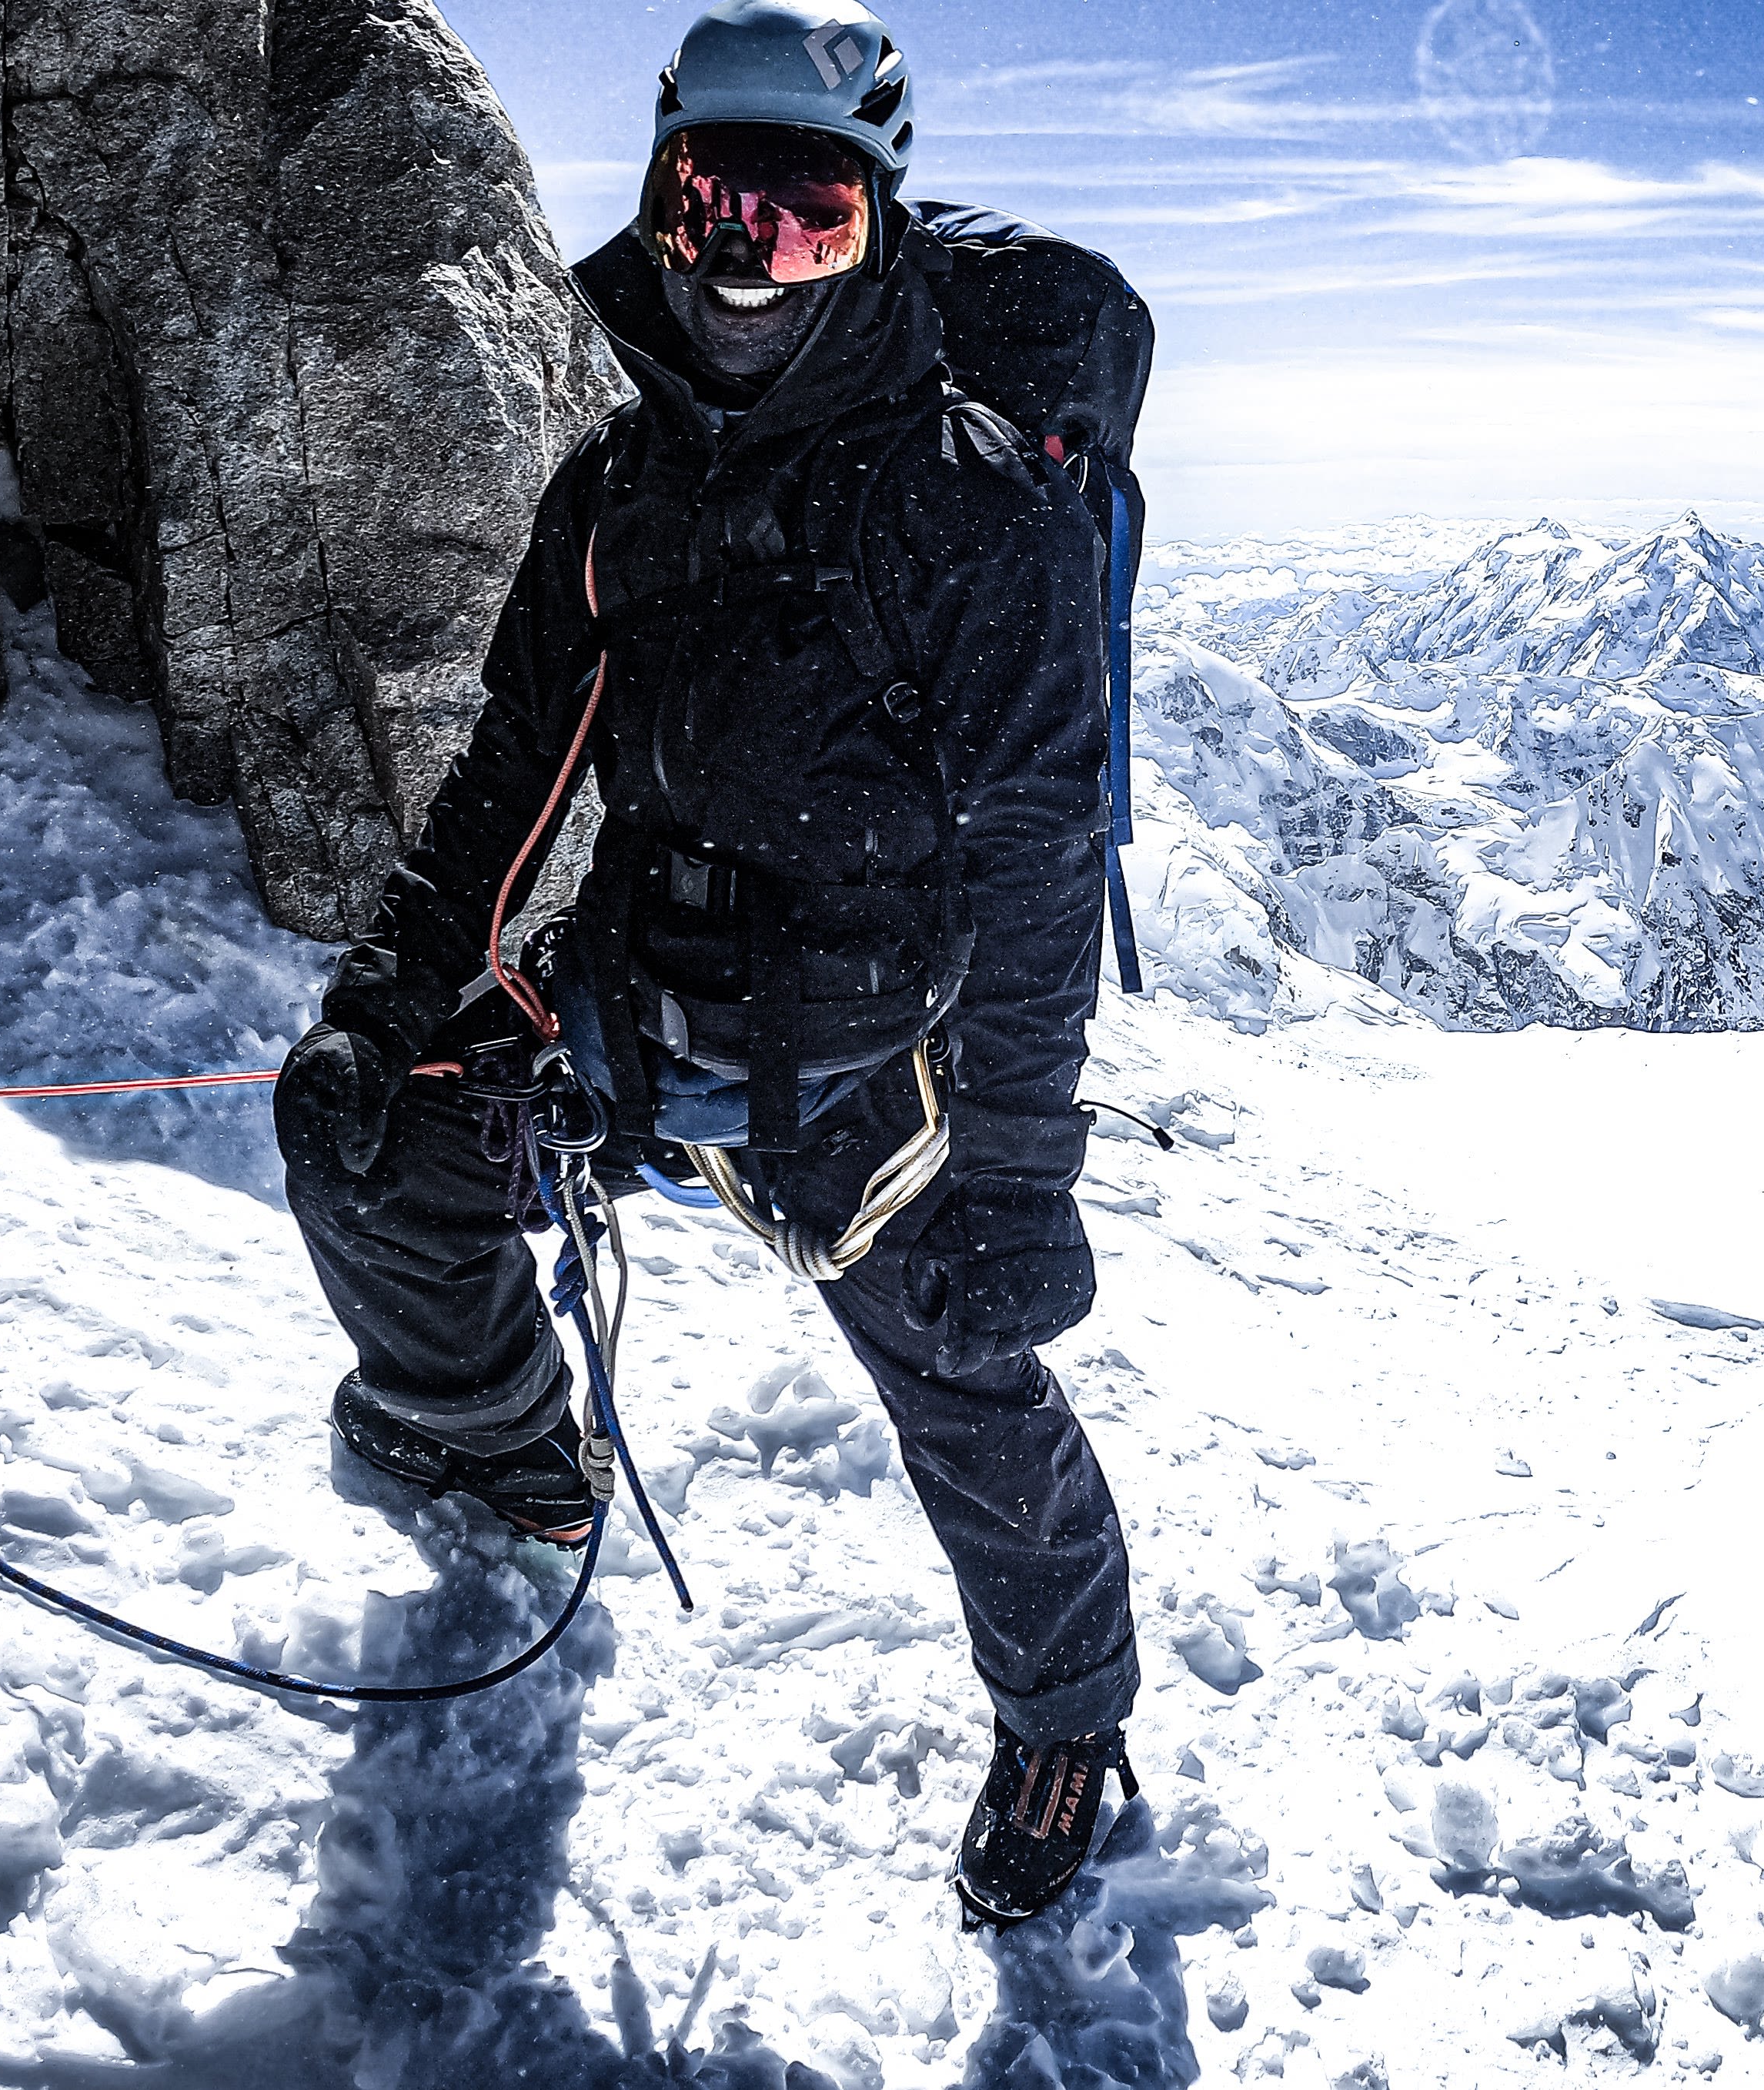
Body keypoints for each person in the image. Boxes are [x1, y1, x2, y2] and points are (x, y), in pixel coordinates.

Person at [272, 0, 1139, 1928]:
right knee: (365, 1147)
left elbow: (1031, 857)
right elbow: (517, 772)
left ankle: (1068, 1717)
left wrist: (1016, 1170)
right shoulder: (618, 488)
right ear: (661, 203)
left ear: (880, 221)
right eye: (711, 206)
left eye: (806, 217)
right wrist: (389, 1005)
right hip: (636, 1002)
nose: (747, 262)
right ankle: (505, 1448)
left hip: (872, 1060)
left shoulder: (976, 507)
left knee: (970, 1376)